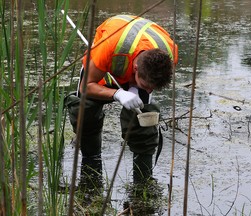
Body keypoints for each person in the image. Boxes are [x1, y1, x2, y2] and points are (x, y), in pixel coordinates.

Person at [65, 14, 178, 187]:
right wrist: (118, 94)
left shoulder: (169, 54)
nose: (148, 91)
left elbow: (149, 84)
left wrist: (138, 89)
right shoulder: (109, 45)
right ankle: (91, 161)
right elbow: (86, 86)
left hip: (134, 64)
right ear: (135, 68)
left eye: (152, 88)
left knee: (143, 120)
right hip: (106, 68)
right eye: (144, 85)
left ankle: (142, 182)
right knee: (85, 108)